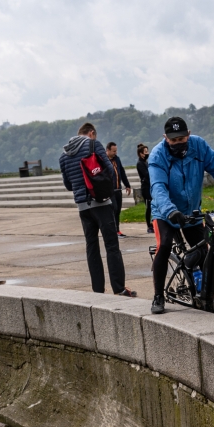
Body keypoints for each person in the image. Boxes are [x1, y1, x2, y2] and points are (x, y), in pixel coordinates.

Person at [147, 115, 214, 314]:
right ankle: (158, 295)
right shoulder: (157, 155)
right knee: (164, 245)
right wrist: (170, 211)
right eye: (173, 140)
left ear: (188, 134)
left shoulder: (199, 146)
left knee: (206, 252)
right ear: (165, 138)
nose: (178, 143)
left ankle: (211, 300)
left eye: (181, 139)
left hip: (191, 211)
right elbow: (158, 187)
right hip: (164, 212)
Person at [59, 123, 136, 297]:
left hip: (82, 206)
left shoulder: (64, 155)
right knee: (111, 245)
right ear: (91, 133)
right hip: (100, 202)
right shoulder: (93, 145)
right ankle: (119, 288)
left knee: (92, 246)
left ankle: (98, 290)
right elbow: (110, 171)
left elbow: (68, 185)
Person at [106, 143, 132, 236]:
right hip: (110, 190)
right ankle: (112, 230)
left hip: (118, 189)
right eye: (114, 151)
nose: (115, 153)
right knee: (114, 209)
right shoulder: (104, 160)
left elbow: (122, 172)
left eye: (116, 151)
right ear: (108, 150)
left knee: (118, 210)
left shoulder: (117, 159)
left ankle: (117, 230)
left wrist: (127, 185)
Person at [137, 144, 153, 233]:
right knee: (148, 207)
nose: (147, 153)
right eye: (145, 152)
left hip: (150, 186)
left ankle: (153, 223)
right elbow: (147, 174)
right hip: (146, 188)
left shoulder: (146, 162)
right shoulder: (140, 163)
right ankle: (149, 226)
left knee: (152, 206)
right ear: (141, 154)